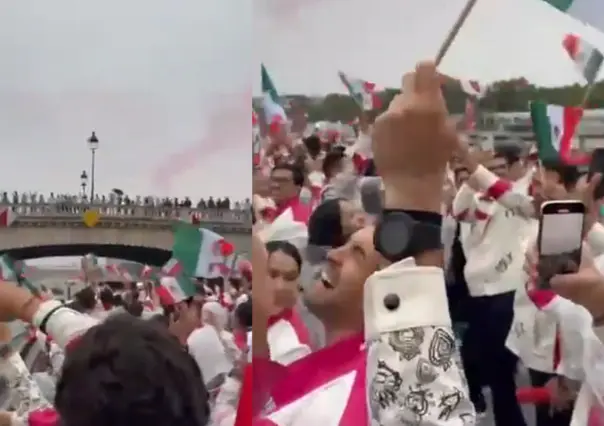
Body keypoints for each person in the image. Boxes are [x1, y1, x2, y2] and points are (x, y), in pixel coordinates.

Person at [250, 61, 474, 425]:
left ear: (384, 298)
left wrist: (415, 190)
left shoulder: (358, 400)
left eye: (356, 253)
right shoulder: (314, 376)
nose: (333, 255)